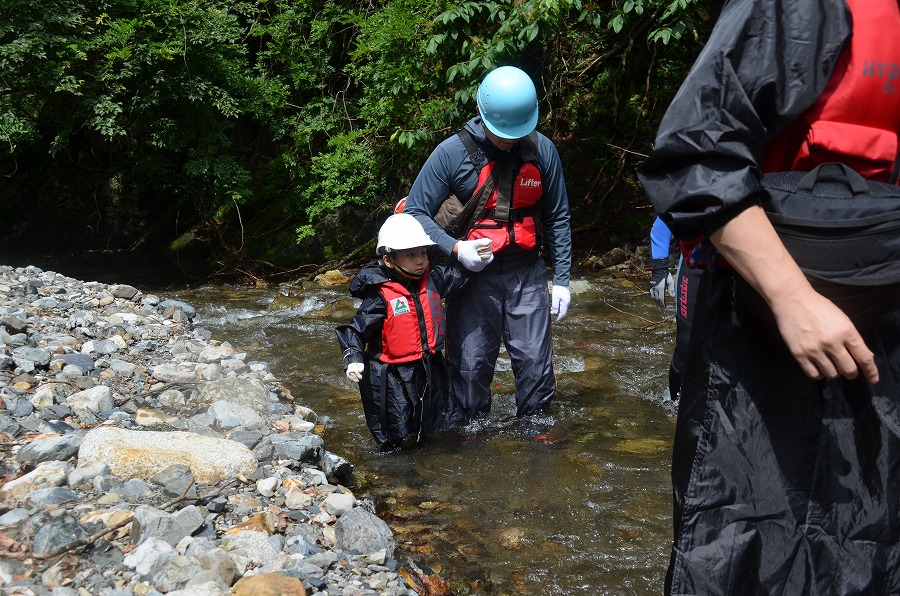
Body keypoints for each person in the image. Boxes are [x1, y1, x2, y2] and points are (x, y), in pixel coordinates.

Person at [638, 0, 900, 593]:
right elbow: (695, 155)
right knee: (745, 552)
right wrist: (792, 300)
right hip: (764, 349)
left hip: (885, 346)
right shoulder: (801, 8)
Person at [403, 65, 573, 423]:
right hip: (471, 278)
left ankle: (538, 440)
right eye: (501, 134)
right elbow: (414, 214)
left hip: (526, 272)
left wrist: (562, 280)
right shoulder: (451, 153)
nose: (508, 141)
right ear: (480, 113)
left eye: (515, 133)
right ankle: (469, 444)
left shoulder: (543, 152)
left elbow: (558, 216)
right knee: (469, 368)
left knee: (535, 367)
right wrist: (455, 249)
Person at [335, 213, 491, 450]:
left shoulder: (434, 280)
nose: (420, 261)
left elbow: (459, 274)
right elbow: (355, 331)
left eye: (423, 253)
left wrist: (476, 259)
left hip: (429, 366)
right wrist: (353, 358)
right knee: (395, 434)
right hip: (392, 374)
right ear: (388, 260)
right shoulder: (379, 295)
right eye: (411, 255)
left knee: (438, 424)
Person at [646, 216, 700, 401]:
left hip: (749, 268)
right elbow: (665, 217)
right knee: (687, 344)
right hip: (697, 263)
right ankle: (675, 409)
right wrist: (660, 268)